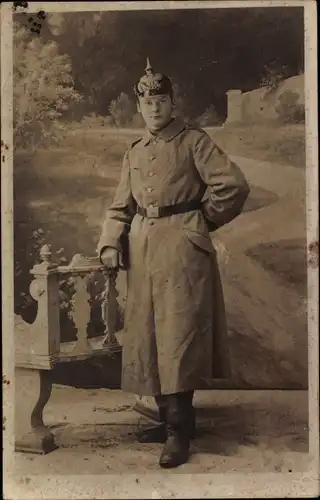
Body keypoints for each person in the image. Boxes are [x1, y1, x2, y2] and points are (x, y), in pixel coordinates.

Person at [97, 58, 250, 468]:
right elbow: (118, 207)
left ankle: (179, 431)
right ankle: (166, 417)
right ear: (139, 107)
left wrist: (200, 221)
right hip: (144, 249)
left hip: (182, 250)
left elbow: (232, 185)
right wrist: (111, 244)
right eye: (147, 104)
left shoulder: (193, 141)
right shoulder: (135, 151)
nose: (154, 110)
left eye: (161, 101)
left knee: (178, 332)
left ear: (172, 102)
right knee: (149, 333)